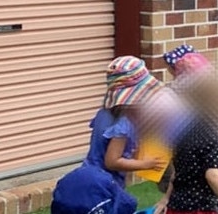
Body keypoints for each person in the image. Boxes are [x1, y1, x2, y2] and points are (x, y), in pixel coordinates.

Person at [51, 56, 166, 213]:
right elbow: (112, 161)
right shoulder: (124, 123)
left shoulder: (104, 112)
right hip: (104, 184)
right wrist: (146, 164)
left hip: (89, 176)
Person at [155, 46, 218, 214]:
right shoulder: (212, 128)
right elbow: (213, 174)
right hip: (210, 192)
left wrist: (166, 198)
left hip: (180, 203)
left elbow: (177, 171)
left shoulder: (182, 130)